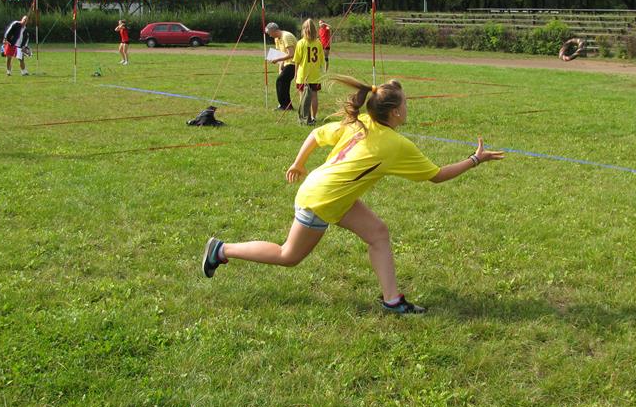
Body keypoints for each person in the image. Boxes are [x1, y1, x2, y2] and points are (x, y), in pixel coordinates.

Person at [202, 76, 505, 314]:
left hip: (331, 192)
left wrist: (299, 162)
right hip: (323, 199)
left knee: (378, 233)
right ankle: (222, 249)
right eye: (406, 103)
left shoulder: (361, 122)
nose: (408, 107)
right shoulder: (395, 144)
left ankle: (392, 300)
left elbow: (315, 134)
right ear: (395, 112)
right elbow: (436, 176)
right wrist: (475, 159)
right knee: (288, 256)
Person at [292, 19, 325, 125]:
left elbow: (297, 61)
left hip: (303, 75)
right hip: (315, 75)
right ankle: (313, 117)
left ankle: (304, 117)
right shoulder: (318, 43)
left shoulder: (300, 43)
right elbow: (321, 60)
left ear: (304, 30)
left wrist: (295, 74)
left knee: (303, 96)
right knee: (314, 96)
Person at [265, 22, 297, 111]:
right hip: (287, 63)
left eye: (269, 33)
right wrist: (280, 68)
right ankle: (286, 105)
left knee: (280, 81)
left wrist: (277, 60)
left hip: (294, 63)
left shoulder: (286, 36)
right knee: (283, 83)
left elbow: (291, 54)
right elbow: (281, 54)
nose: (269, 35)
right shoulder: (276, 39)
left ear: (274, 31)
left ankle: (284, 105)